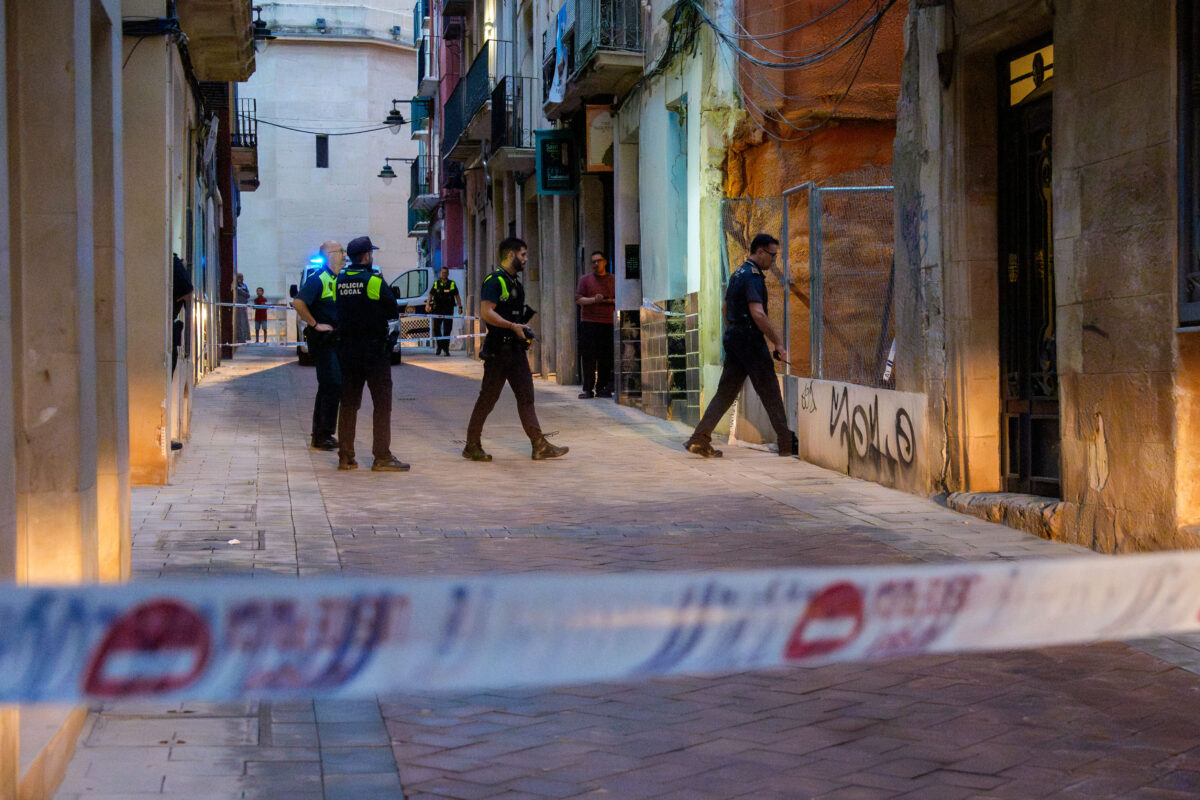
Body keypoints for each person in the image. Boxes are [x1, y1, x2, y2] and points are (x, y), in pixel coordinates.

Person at [684, 233, 796, 458]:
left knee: (725, 393)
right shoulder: (753, 277)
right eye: (772, 255)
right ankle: (786, 443)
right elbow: (758, 313)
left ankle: (699, 438)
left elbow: (726, 308)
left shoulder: (738, 272)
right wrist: (778, 343)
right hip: (749, 339)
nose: (773, 261)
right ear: (760, 251)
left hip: (735, 337)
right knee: (770, 390)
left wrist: (734, 331)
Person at [463, 237, 568, 462]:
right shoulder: (494, 280)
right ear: (511, 254)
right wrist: (512, 326)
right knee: (488, 399)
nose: (526, 259)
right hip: (498, 352)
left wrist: (521, 327)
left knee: (526, 397)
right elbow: (486, 312)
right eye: (523, 255)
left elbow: (511, 315)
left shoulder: (516, 284)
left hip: (515, 351)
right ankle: (471, 445)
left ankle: (539, 445)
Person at [334, 236, 408, 472]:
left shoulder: (340, 281)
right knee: (381, 404)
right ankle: (382, 457)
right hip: (374, 352)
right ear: (366, 256)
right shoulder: (374, 281)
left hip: (347, 351)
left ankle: (345, 456)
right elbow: (391, 309)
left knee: (348, 404)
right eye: (371, 253)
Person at [293, 241, 344, 451]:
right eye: (340, 251)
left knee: (330, 386)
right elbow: (298, 303)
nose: (344, 255)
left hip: (337, 342)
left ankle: (321, 433)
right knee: (331, 384)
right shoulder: (319, 279)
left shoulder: (338, 278)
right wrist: (315, 324)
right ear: (330, 255)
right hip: (324, 343)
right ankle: (323, 434)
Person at [575, 250, 615, 399]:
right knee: (588, 357)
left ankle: (602, 387)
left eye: (599, 260)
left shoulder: (613, 280)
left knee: (606, 357)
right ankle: (587, 389)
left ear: (605, 262)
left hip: (608, 322)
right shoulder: (585, 280)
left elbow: (620, 299)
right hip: (589, 323)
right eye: (593, 261)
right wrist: (593, 300)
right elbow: (579, 299)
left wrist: (608, 301)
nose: (596, 264)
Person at [425, 266, 462, 356]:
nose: (444, 274)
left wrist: (460, 307)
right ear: (440, 273)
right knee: (436, 329)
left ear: (448, 274)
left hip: (448, 310)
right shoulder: (436, 283)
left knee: (447, 330)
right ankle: (439, 347)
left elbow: (457, 295)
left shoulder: (451, 284)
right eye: (442, 272)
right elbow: (430, 294)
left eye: (445, 272)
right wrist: (427, 304)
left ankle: (446, 349)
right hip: (437, 309)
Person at [235, 274, 251, 344]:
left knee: (244, 323)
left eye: (242, 278)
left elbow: (248, 295)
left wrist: (242, 292)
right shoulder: (236, 286)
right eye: (239, 278)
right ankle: (240, 338)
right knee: (239, 323)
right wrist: (241, 292)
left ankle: (244, 337)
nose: (241, 280)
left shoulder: (244, 285)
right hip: (238, 307)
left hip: (244, 306)